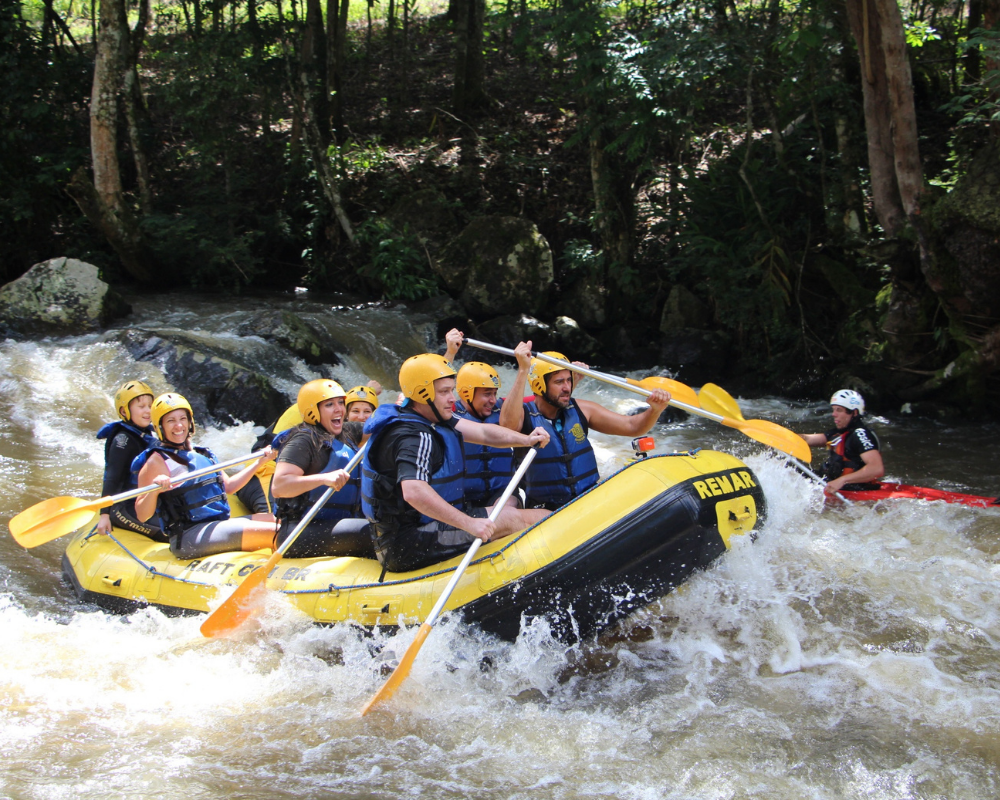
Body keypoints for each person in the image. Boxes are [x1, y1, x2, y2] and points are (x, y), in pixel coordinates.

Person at [360, 353, 551, 573]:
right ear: (422, 393)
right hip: (409, 543)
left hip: (424, 528)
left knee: (534, 514)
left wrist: (526, 439)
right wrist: (469, 524)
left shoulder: (434, 419)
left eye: (451, 390)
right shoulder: (412, 436)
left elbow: (484, 433)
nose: (453, 398)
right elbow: (414, 491)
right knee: (519, 519)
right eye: (444, 392)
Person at [498, 341, 670, 510]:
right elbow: (507, 427)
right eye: (559, 382)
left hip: (587, 501)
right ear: (539, 385)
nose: (567, 387)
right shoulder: (524, 415)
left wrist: (655, 410)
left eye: (569, 380)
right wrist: (523, 370)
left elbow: (632, 426)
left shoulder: (582, 409)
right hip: (546, 511)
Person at [133, 393, 278, 559]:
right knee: (277, 531)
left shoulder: (201, 453)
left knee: (279, 521)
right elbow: (142, 515)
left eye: (183, 419)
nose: (179, 425)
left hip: (217, 525)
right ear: (160, 427)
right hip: (189, 536)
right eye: (170, 421)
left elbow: (230, 486)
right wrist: (155, 491)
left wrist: (260, 462)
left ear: (190, 422)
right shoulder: (156, 461)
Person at [269, 379, 375, 558]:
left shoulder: (347, 432)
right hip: (300, 532)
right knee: (375, 533)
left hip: (339, 524)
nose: (339, 409)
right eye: (329, 405)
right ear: (312, 410)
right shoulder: (303, 440)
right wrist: (324, 478)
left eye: (340, 402)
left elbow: (378, 428)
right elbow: (279, 486)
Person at [96, 380, 162, 538]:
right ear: (124, 411)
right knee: (168, 533)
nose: (147, 411)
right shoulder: (123, 441)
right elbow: (112, 478)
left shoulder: (148, 433)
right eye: (141, 406)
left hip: (144, 502)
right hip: (123, 507)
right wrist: (104, 514)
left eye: (150, 406)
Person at [800, 389, 884, 495]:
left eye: (839, 410)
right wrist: (784, 437)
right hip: (832, 481)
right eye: (833, 410)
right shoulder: (841, 433)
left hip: (852, 489)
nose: (833, 414)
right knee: (789, 468)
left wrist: (842, 481)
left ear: (854, 413)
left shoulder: (860, 434)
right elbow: (807, 439)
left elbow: (877, 469)